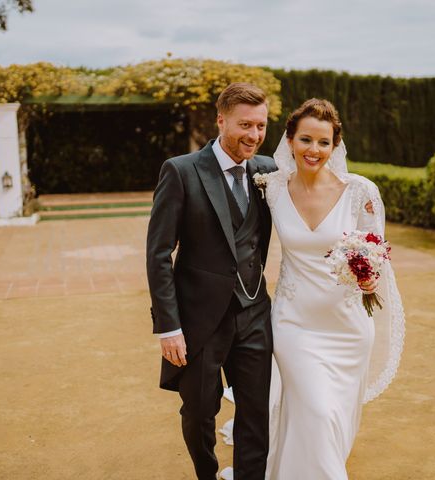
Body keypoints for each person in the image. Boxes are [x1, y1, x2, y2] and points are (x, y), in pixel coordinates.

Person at [256, 99, 405, 479]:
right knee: (317, 412)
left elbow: (376, 253)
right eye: (306, 139)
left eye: (324, 142)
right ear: (289, 140)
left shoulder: (360, 192)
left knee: (332, 418)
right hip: (294, 325)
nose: (314, 150)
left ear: (335, 145)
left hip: (347, 327)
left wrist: (371, 277)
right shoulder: (271, 188)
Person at [146, 82, 277, 480]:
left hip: (255, 311)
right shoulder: (181, 170)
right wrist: (169, 327)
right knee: (200, 410)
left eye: (260, 126)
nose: (253, 136)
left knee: (256, 411)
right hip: (199, 320)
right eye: (244, 125)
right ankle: (207, 473)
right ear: (221, 120)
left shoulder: (268, 170)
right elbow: (159, 253)